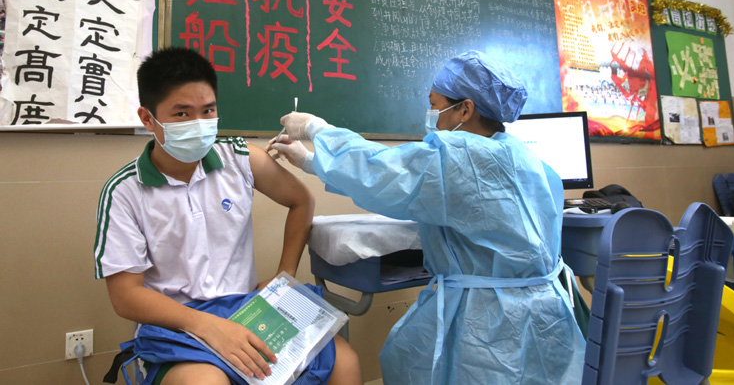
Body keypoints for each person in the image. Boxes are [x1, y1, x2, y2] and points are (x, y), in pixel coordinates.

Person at [268, 50, 586, 384]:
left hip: (492, 329)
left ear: (466, 108)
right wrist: (308, 161)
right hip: (549, 322)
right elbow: (416, 186)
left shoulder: (462, 156)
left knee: (415, 360)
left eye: (435, 105)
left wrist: (315, 129)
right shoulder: (528, 158)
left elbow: (380, 172)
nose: (432, 114)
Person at [94, 47, 361, 385]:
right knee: (207, 382)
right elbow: (126, 295)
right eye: (182, 114)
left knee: (345, 363)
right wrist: (210, 327)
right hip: (178, 327)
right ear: (149, 119)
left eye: (208, 111)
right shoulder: (125, 191)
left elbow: (301, 201)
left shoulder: (239, 158)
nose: (199, 124)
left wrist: (284, 276)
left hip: (249, 312)